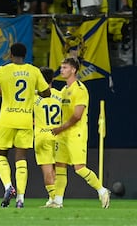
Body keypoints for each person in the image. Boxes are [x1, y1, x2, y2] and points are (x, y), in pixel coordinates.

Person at [0, 42, 50, 208]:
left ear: (10, 55)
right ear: (25, 55)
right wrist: (34, 90)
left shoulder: (4, 70)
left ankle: (8, 186)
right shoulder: (34, 71)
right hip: (25, 120)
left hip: (7, 120)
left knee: (0, 154)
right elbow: (47, 93)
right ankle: (21, 199)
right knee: (21, 158)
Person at [50, 57, 111, 209]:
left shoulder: (80, 89)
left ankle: (102, 190)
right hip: (63, 134)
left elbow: (77, 116)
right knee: (60, 166)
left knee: (79, 168)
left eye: (65, 68)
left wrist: (60, 128)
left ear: (73, 70)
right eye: (61, 67)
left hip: (76, 134)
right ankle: (58, 201)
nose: (61, 70)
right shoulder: (64, 90)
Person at [33, 67, 62, 207]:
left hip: (42, 135)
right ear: (53, 79)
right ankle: (56, 198)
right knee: (57, 170)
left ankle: (53, 198)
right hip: (58, 135)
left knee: (47, 170)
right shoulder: (60, 95)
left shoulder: (35, 96)